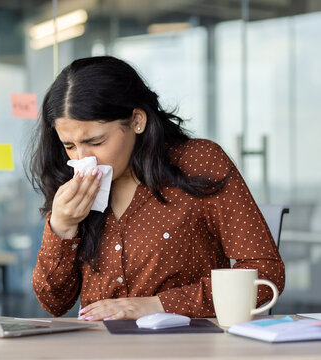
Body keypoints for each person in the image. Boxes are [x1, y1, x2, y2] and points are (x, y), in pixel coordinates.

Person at [28, 56, 285, 321]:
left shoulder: (199, 162)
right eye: (69, 145)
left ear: (137, 120)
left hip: (184, 346)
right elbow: (54, 303)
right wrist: (61, 226)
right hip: (99, 347)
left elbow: (265, 273)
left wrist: (159, 305)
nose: (83, 159)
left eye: (96, 141)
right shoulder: (70, 181)